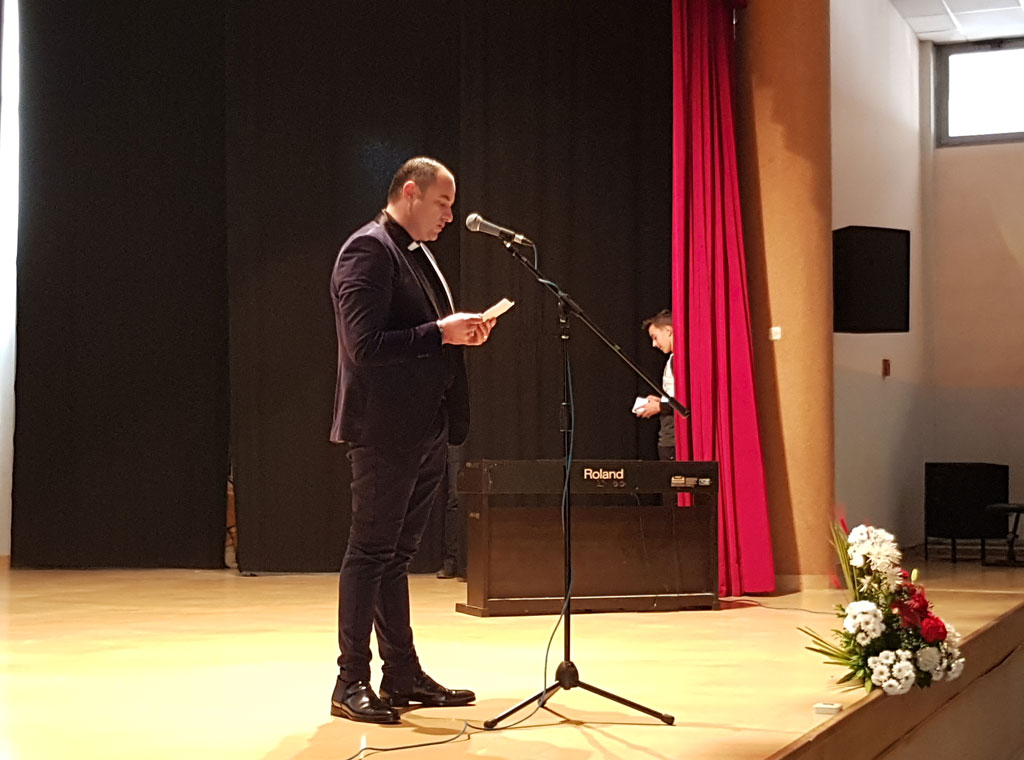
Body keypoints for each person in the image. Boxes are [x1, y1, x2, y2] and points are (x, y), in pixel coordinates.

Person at [329, 157, 496, 724]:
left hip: (424, 426)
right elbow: (364, 345)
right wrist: (438, 333)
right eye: (442, 203)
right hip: (384, 429)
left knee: (395, 557)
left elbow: (423, 337)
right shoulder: (368, 249)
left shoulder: (414, 252)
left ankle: (400, 672)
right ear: (410, 192)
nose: (449, 215)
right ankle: (349, 680)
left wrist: (459, 334)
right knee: (370, 553)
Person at [634, 309, 676, 461]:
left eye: (655, 337)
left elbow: (687, 403)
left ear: (668, 331)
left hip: (673, 439)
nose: (654, 344)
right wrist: (662, 401)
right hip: (669, 437)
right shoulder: (673, 359)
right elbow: (677, 399)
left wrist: (659, 407)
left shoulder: (679, 361)